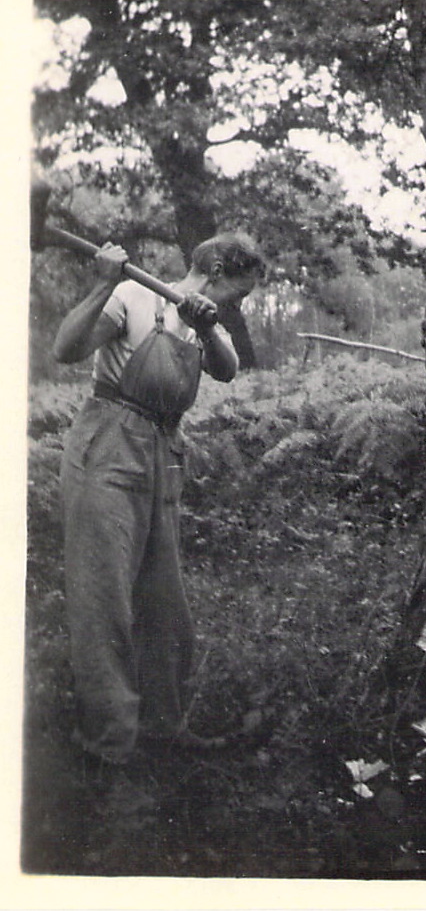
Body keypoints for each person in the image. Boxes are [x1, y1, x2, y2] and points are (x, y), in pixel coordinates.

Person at [53, 232, 265, 765]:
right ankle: (111, 744)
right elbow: (66, 348)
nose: (234, 307)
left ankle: (162, 728)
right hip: (108, 445)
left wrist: (208, 325)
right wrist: (103, 283)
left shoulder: (204, 321)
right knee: (104, 598)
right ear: (215, 268)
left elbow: (227, 369)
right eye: (235, 296)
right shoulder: (135, 296)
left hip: (163, 452)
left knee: (163, 603)